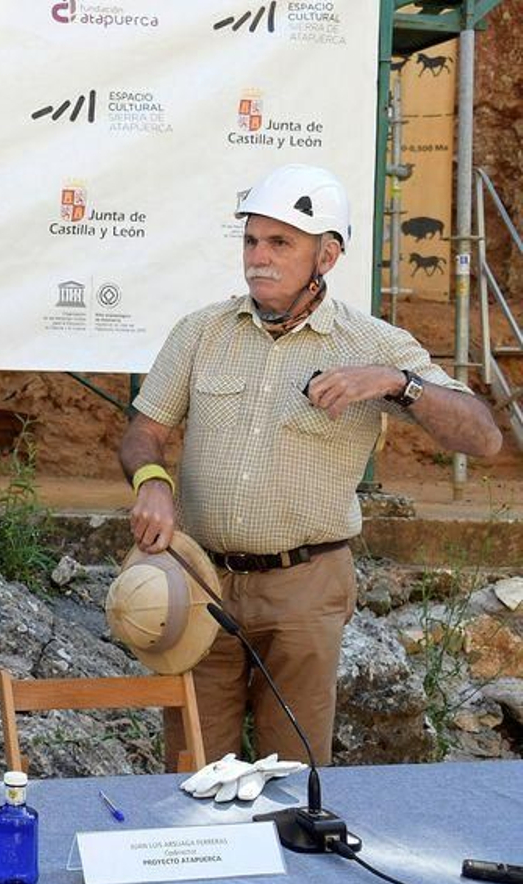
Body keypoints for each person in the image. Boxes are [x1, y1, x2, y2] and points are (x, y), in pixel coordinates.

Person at [119, 163, 502, 765]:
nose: (258, 258)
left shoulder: (372, 344)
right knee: (192, 768)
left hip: (305, 587)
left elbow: (483, 437)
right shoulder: (201, 332)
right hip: (199, 583)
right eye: (251, 241)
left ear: (327, 255)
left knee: (294, 774)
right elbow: (144, 433)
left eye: (280, 243)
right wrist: (151, 482)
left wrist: (397, 383)